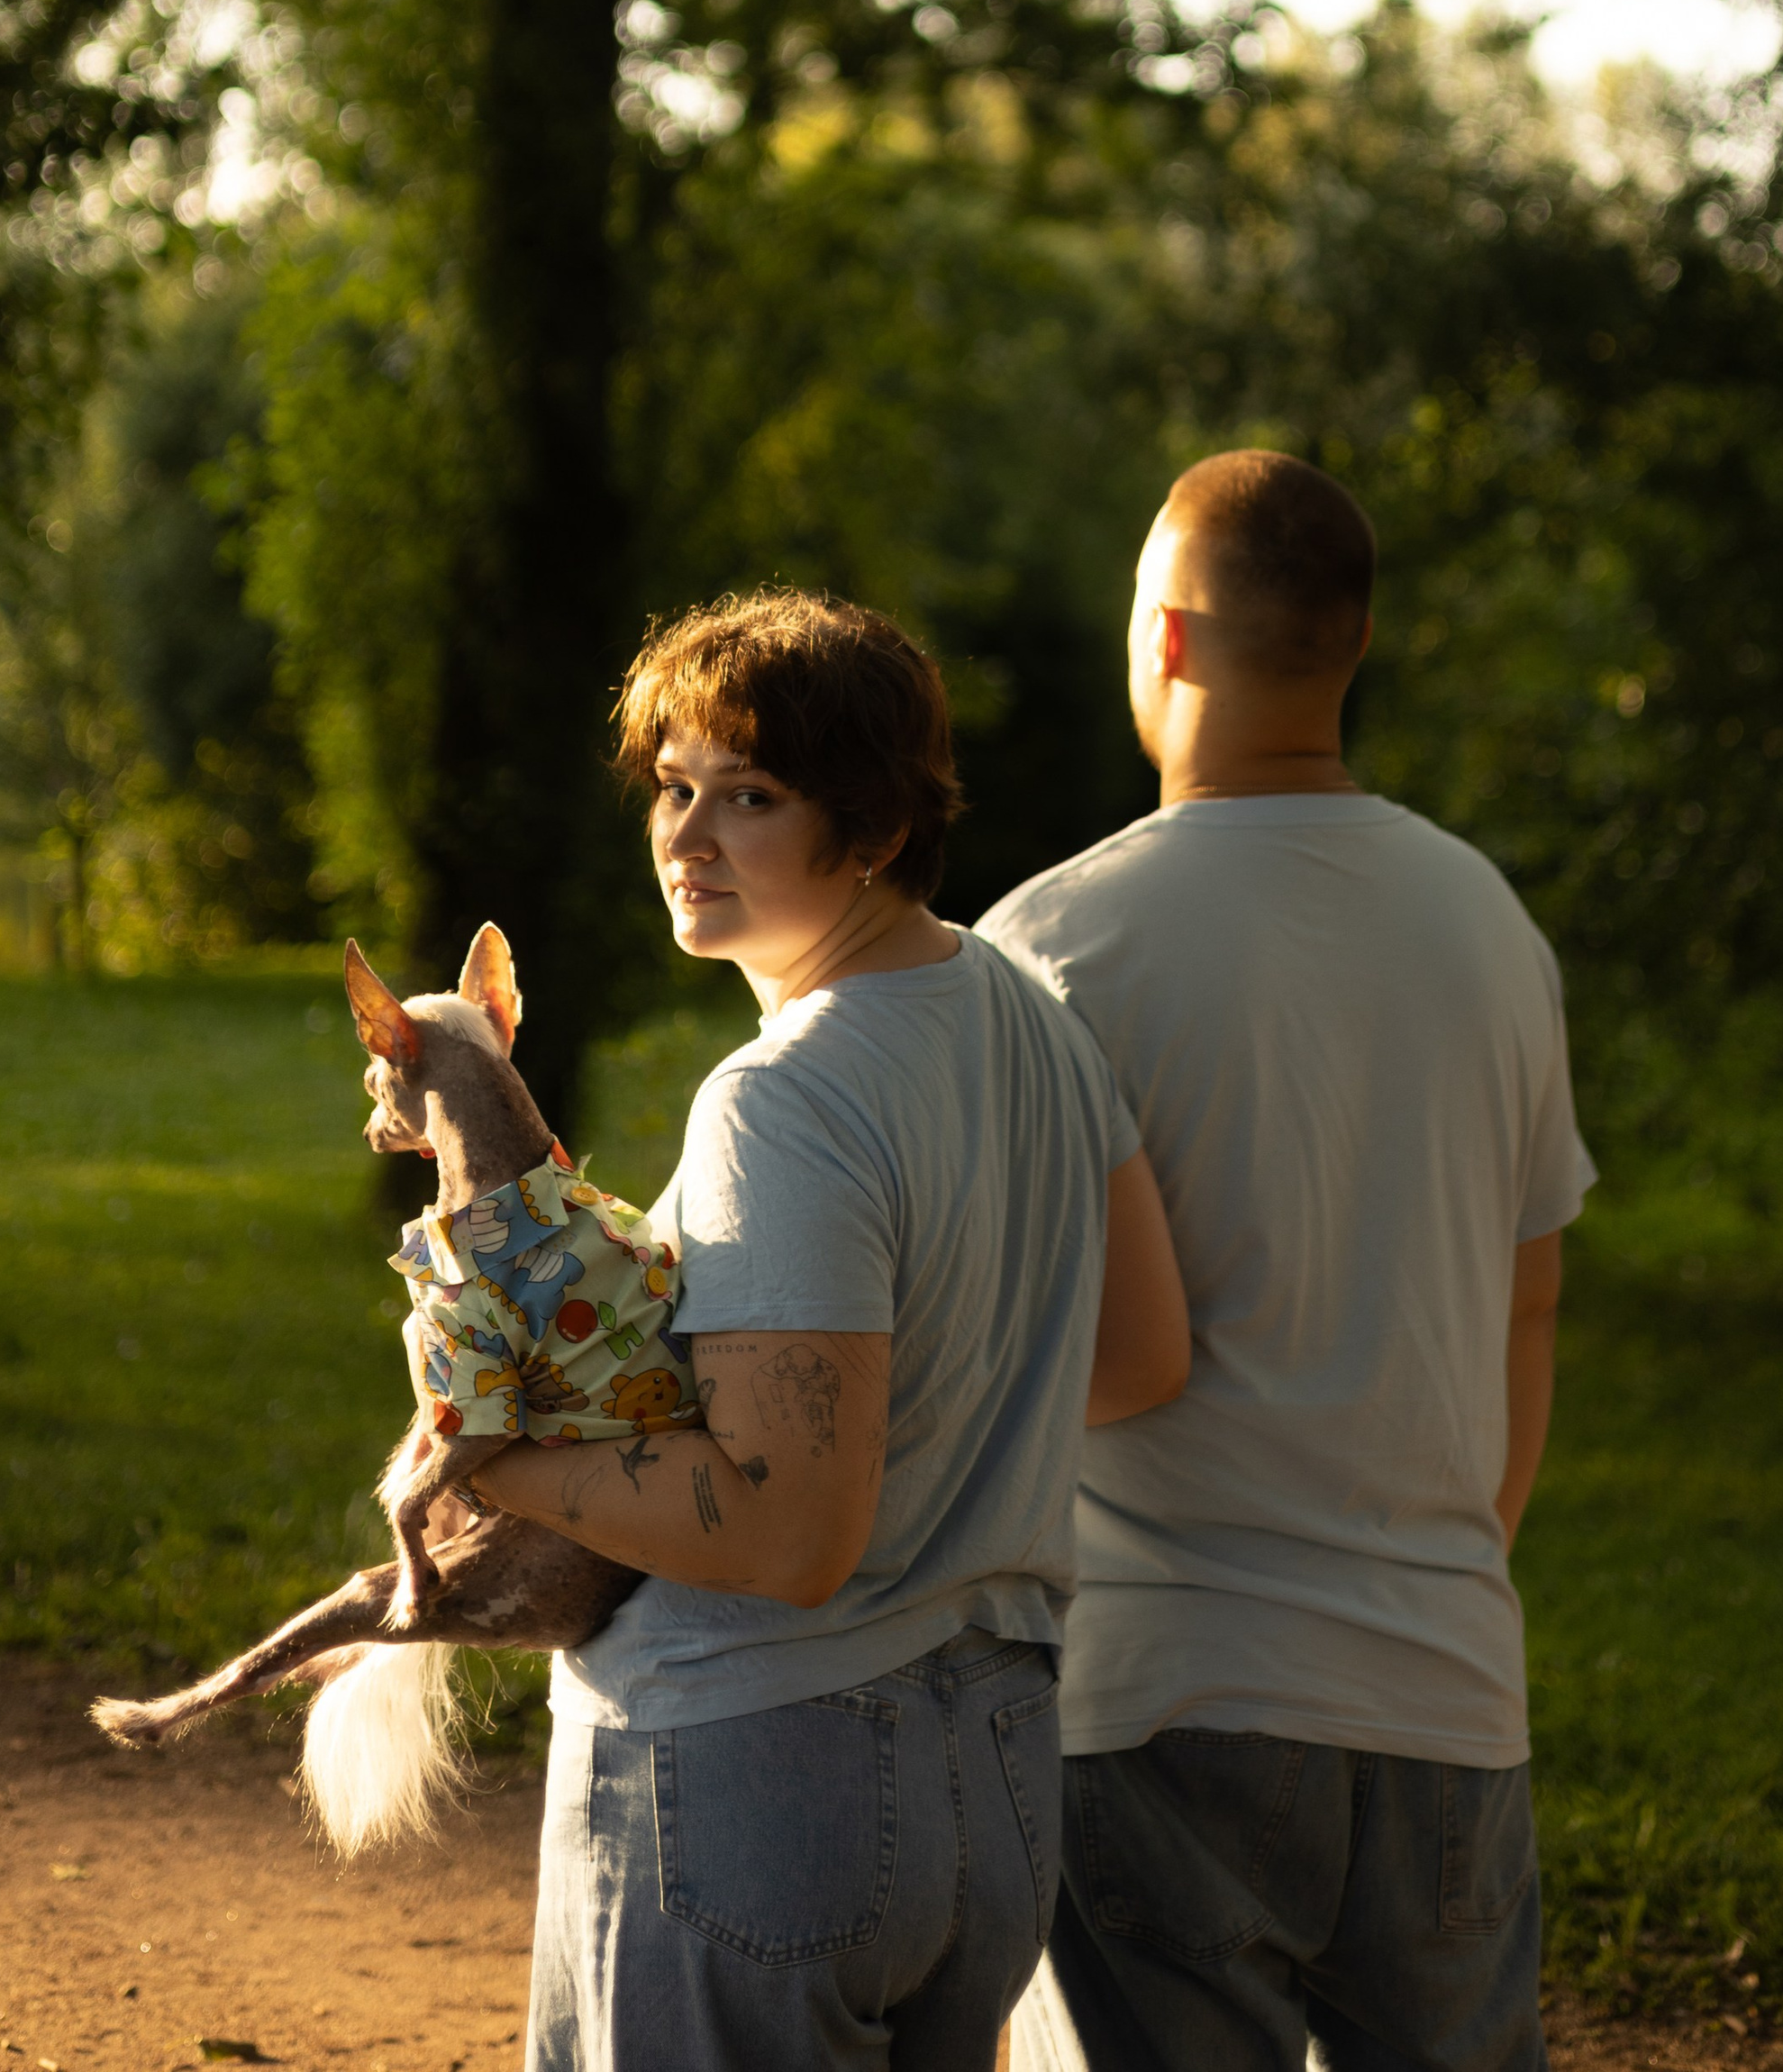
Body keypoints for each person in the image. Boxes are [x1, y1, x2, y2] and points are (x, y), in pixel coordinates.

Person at [471, 587, 1190, 2072]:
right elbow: (1135, 1361)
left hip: (759, 1773)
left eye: (751, 795)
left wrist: (493, 1463)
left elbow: (792, 1535)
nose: (684, 837)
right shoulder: (1036, 1021)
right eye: (674, 788)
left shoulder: (784, 1094)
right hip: (990, 1779)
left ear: (869, 828)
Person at [978, 450, 1595, 2072]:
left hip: (1159, 1694)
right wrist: (1437, 1573)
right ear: (1353, 643)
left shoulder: (1051, 945)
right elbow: (1531, 1302)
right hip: (1448, 1689)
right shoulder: (1491, 929)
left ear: (1165, 639)